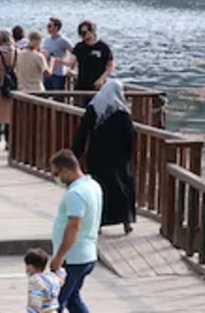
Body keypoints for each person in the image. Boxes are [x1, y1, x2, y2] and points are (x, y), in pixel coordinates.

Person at [70, 79, 136, 234]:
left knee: (98, 189)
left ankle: (98, 222)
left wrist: (75, 154)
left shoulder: (94, 107)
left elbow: (83, 131)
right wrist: (129, 154)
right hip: (119, 157)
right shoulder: (122, 111)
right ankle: (126, 221)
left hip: (97, 155)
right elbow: (130, 136)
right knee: (123, 188)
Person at [48, 149, 102, 313]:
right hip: (87, 255)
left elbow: (74, 226)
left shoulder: (75, 194)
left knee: (54, 302)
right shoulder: (92, 185)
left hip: (73, 258)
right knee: (73, 298)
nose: (57, 178)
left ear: (66, 170)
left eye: (57, 173)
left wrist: (59, 257)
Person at [65, 21, 115, 92]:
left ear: (92, 31)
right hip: (81, 85)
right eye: (80, 33)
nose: (82, 35)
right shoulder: (79, 47)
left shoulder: (103, 47)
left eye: (84, 32)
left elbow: (111, 66)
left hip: (97, 86)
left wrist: (102, 79)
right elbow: (70, 62)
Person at [24, 247, 66, 313]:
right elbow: (61, 280)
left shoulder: (34, 280)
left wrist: (33, 310)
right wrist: (59, 268)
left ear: (30, 266)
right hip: (53, 310)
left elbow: (35, 299)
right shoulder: (52, 277)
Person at [43, 18, 73, 91]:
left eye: (50, 26)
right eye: (47, 26)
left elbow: (75, 53)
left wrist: (71, 67)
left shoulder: (63, 40)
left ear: (56, 27)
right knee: (45, 97)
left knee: (58, 97)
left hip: (59, 74)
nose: (47, 28)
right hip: (47, 72)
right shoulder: (47, 40)